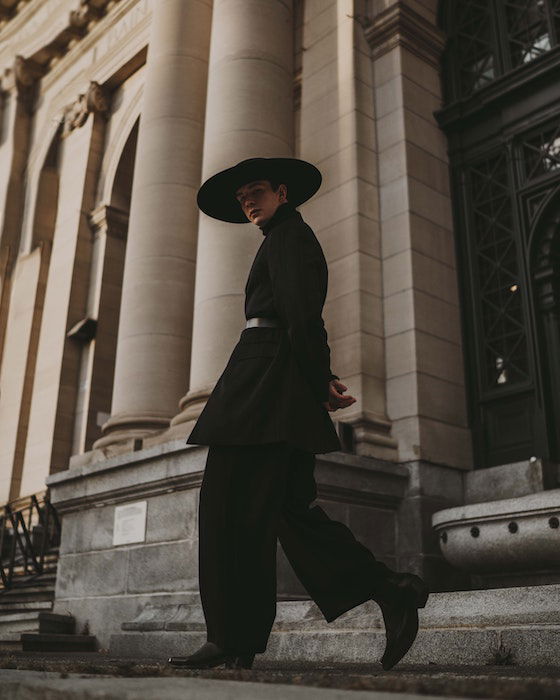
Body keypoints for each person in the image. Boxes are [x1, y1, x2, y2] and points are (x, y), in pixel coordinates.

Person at [168, 158, 429, 672]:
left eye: (257, 191)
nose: (248, 201)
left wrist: (317, 381)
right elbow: (305, 318)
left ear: (282, 193)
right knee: (291, 515)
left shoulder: (288, 237)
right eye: (243, 196)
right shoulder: (286, 238)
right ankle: (391, 590)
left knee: (227, 511)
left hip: (262, 393)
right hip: (273, 391)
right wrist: (321, 379)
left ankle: (231, 638)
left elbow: (300, 316)